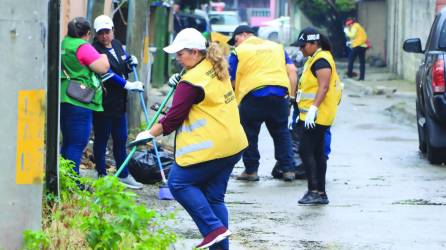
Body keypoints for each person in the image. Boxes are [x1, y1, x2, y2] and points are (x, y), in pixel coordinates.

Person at [132, 28, 248, 250]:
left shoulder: (191, 82)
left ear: (195, 52)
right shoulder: (213, 66)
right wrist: (183, 79)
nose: (177, 59)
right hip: (233, 144)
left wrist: (149, 133)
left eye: (180, 54)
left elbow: (173, 118)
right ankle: (220, 244)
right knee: (214, 198)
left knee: (178, 182)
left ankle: (213, 229)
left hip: (213, 147)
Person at [227, 25, 298, 182]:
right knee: (281, 132)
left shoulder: (238, 52)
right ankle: (288, 169)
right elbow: (292, 71)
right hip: (279, 96)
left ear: (245, 35)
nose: (235, 44)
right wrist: (291, 97)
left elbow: (231, 81)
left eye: (236, 39)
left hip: (253, 96)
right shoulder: (277, 48)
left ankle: (251, 171)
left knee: (249, 134)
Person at [91, 15, 144, 189]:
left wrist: (130, 62)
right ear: (96, 35)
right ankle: (101, 175)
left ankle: (123, 173)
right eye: (101, 33)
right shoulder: (94, 50)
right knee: (102, 139)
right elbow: (106, 74)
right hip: (104, 103)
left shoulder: (117, 44)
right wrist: (127, 84)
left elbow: (122, 64)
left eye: (108, 32)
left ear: (113, 30)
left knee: (121, 138)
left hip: (120, 103)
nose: (105, 36)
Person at [291, 27, 342, 205]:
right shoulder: (315, 59)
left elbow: (324, 86)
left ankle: (314, 191)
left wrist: (313, 108)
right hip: (313, 115)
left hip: (318, 116)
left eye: (303, 45)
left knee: (306, 150)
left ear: (314, 43)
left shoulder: (321, 61)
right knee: (317, 152)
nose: (301, 49)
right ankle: (320, 192)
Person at [60, 17, 110, 175]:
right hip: (80, 100)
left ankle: (65, 179)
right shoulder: (82, 46)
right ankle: (74, 183)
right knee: (78, 143)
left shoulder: (65, 43)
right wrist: (104, 57)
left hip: (65, 96)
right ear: (88, 33)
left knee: (68, 142)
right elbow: (103, 68)